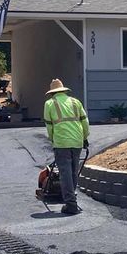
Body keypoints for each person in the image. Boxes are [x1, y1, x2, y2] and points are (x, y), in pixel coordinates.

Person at [43, 78, 89, 215]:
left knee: (65, 173)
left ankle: (71, 204)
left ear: (52, 93)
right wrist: (85, 138)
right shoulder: (75, 102)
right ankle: (72, 197)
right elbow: (85, 122)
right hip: (77, 141)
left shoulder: (49, 104)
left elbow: (49, 126)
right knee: (74, 171)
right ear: (64, 91)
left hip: (62, 142)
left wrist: (53, 140)